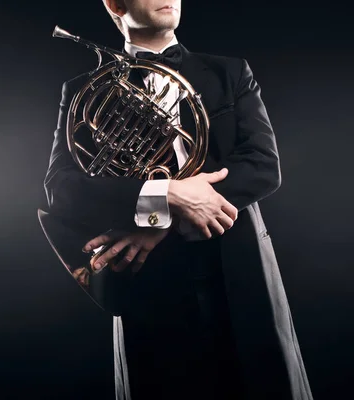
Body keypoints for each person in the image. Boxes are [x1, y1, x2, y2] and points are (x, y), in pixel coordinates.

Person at [42, 0, 314, 399]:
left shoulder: (230, 71)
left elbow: (262, 166)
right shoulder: (83, 91)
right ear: (115, 4)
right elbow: (61, 189)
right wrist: (164, 195)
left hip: (238, 270)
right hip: (148, 283)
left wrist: (160, 220)